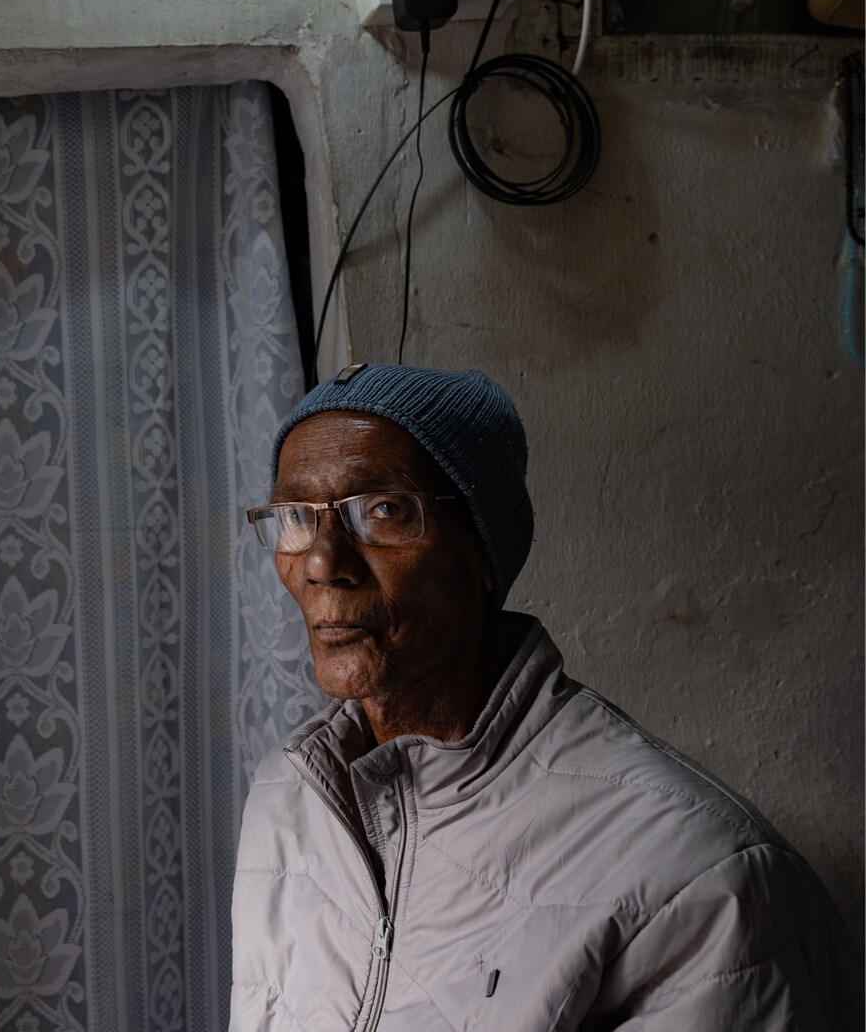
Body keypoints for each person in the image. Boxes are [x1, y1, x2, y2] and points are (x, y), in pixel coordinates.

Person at [230, 363, 859, 1030]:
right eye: (296, 517)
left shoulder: (700, 877)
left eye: (382, 510)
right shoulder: (287, 802)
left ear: (482, 552)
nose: (323, 561)